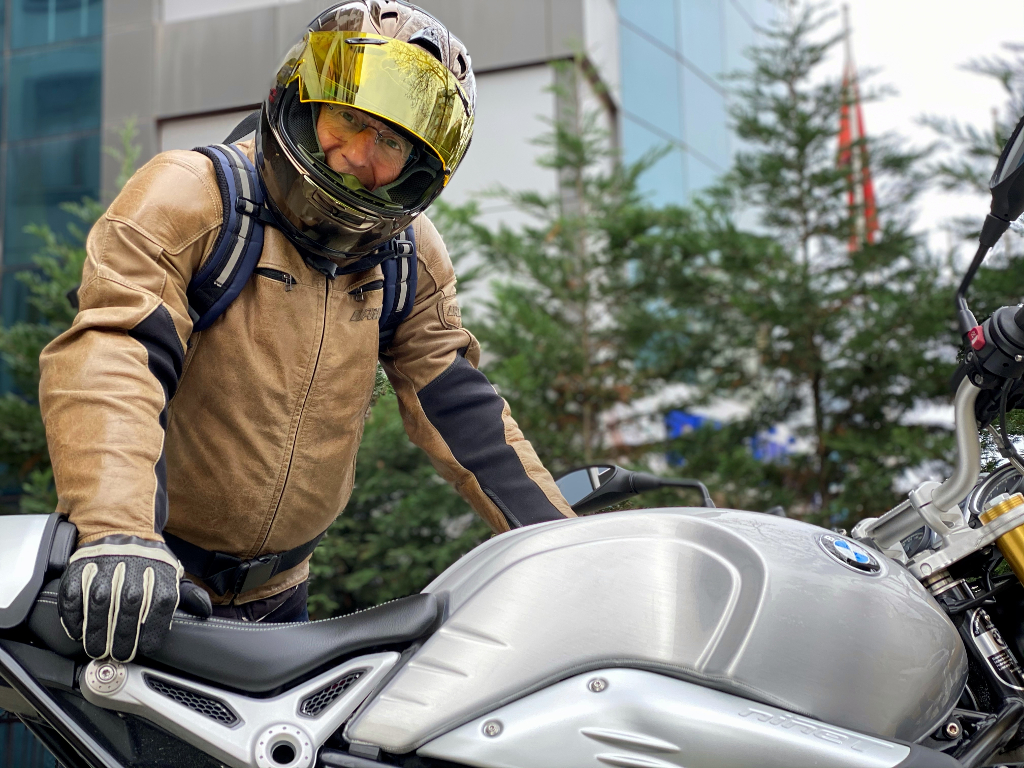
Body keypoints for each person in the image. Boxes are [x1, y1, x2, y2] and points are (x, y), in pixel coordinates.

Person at [39, 0, 574, 664]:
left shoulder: (409, 252)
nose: (356, 158)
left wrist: (572, 550)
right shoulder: (191, 195)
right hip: (149, 579)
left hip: (283, 598)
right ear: (301, 99)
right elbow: (116, 352)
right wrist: (118, 530)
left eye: (391, 142)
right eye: (349, 119)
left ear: (418, 166)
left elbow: (461, 409)